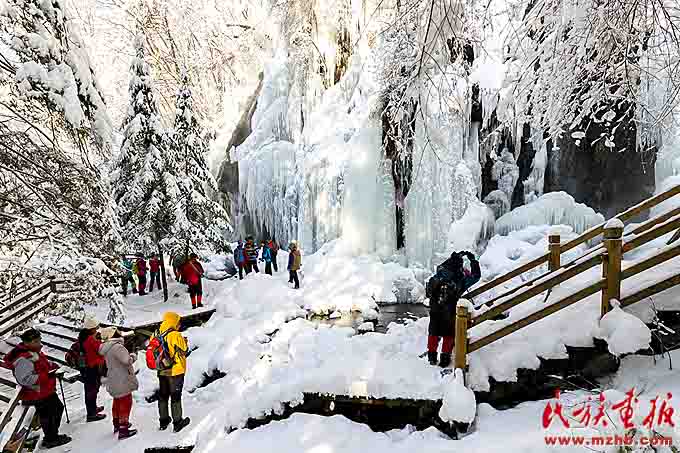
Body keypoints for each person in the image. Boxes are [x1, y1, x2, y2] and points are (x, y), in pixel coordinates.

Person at [3, 329, 72, 449]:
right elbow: (25, 379)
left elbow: (41, 363)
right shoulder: (23, 359)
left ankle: (51, 436)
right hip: (37, 392)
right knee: (50, 413)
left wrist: (52, 366)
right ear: (28, 342)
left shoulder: (32, 351)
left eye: (39, 340)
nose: (40, 343)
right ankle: (51, 439)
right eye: (37, 341)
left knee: (55, 410)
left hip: (43, 390)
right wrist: (48, 375)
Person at [425, 251, 481, 368]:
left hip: (435, 308)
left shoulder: (438, 275)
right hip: (450, 310)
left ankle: (431, 357)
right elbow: (476, 276)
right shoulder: (459, 279)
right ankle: (445, 359)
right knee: (448, 334)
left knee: (433, 332)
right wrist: (473, 261)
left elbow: (429, 291)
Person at [99, 327, 139, 439]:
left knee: (117, 401)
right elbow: (127, 360)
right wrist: (133, 356)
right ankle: (123, 429)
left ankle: (117, 424)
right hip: (122, 378)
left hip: (113, 378)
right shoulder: (117, 347)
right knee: (126, 402)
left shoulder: (106, 348)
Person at [154, 312, 190, 433]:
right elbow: (184, 350)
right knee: (175, 396)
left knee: (163, 395)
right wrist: (184, 342)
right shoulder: (174, 334)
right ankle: (178, 422)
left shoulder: (156, 333)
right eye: (178, 322)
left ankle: (163, 421)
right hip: (175, 371)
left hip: (162, 370)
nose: (179, 324)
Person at [79, 317, 107, 422]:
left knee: (90, 390)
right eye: (96, 327)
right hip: (92, 367)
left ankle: (93, 409)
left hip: (87, 367)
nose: (97, 329)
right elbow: (101, 350)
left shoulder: (83, 336)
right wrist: (101, 341)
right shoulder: (90, 339)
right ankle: (91, 414)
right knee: (92, 390)